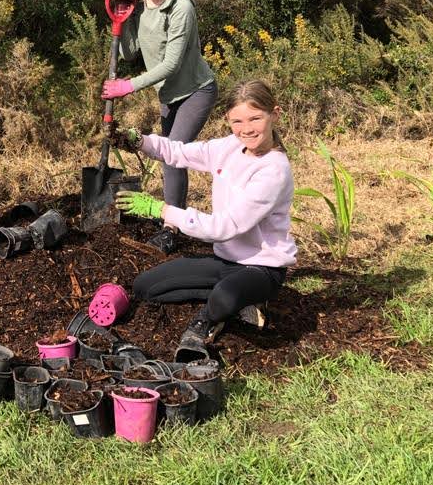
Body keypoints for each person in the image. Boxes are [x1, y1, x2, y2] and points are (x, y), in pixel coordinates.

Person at [114, 80, 297, 362]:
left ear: (275, 114)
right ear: (228, 121)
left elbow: (222, 227)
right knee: (145, 287)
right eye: (237, 121)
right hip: (226, 261)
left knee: (224, 297)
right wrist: (140, 141)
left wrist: (162, 209)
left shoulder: (273, 171)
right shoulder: (229, 146)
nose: (246, 129)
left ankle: (209, 319)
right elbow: (179, 152)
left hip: (262, 268)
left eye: (255, 118)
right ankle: (237, 300)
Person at [102, 0, 218, 255]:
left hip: (197, 92)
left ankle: (170, 229)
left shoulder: (182, 8)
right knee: (172, 157)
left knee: (172, 155)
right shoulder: (141, 9)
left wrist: (127, 86)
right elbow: (127, 53)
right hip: (169, 97)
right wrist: (122, 17)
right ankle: (174, 220)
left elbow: (170, 65)